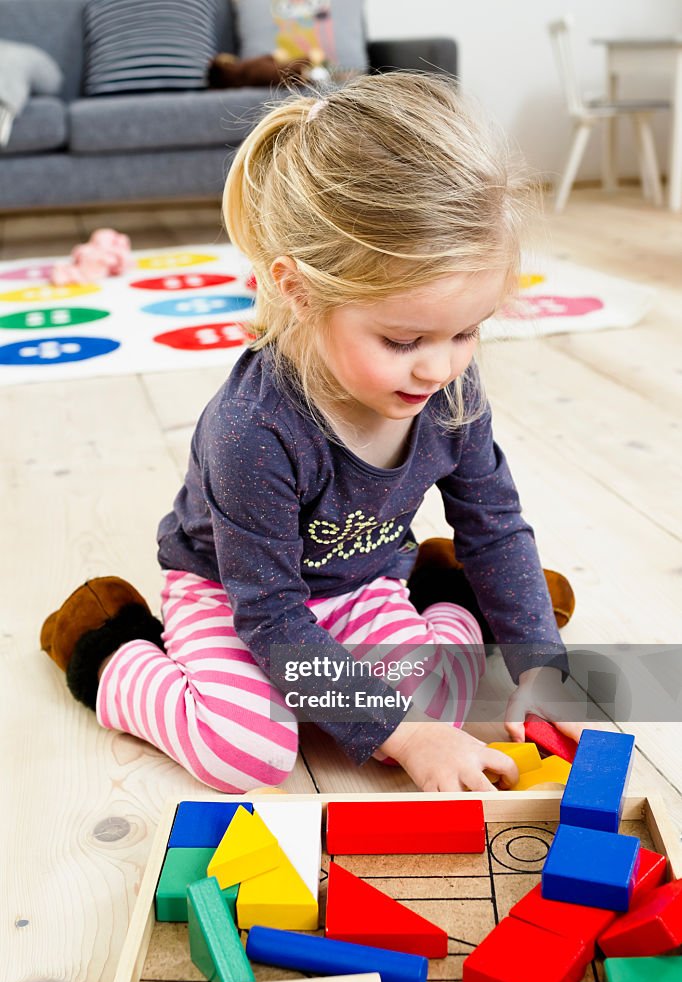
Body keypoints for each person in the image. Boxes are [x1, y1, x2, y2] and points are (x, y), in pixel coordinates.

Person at [40, 72, 580, 794]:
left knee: (449, 702)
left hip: (363, 578)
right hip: (236, 595)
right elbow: (268, 614)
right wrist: (401, 734)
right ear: (296, 289)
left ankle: (443, 587)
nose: (439, 367)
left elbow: (496, 523)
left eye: (465, 332)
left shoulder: (450, 386)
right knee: (248, 753)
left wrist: (541, 666)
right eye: (403, 338)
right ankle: (108, 647)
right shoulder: (251, 432)